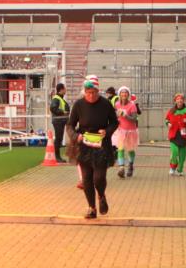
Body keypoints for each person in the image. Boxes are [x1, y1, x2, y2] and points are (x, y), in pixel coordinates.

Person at [68, 77, 118, 219]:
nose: (91, 95)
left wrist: (107, 131)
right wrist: (75, 136)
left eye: (94, 92)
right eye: (88, 92)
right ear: (84, 92)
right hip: (84, 145)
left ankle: (101, 196)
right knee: (86, 179)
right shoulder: (78, 105)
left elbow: (114, 122)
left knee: (99, 178)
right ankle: (91, 208)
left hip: (101, 145)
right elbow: (70, 125)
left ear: (98, 91)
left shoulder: (105, 104)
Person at [112, 86, 140, 178]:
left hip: (131, 131)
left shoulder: (132, 105)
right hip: (120, 130)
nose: (124, 94)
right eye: (122, 93)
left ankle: (131, 165)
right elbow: (114, 117)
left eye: (125, 93)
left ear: (128, 94)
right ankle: (121, 168)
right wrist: (116, 116)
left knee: (130, 150)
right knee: (120, 149)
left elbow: (134, 119)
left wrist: (125, 115)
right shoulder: (116, 104)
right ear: (119, 94)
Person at [165, 92, 186, 176]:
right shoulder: (171, 111)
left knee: (182, 155)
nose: (179, 100)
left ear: (183, 101)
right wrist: (168, 124)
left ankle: (180, 169)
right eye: (178, 99)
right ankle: (173, 167)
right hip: (173, 135)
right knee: (174, 152)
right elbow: (166, 119)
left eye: (181, 99)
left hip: (183, 136)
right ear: (175, 101)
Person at [49, 82, 69, 162]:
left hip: (61, 121)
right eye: (65, 88)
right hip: (58, 121)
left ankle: (57, 157)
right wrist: (63, 112)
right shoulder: (56, 98)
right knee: (58, 139)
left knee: (59, 139)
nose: (66, 90)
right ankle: (57, 157)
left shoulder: (60, 98)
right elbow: (53, 108)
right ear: (61, 90)